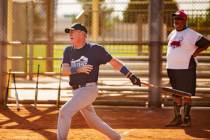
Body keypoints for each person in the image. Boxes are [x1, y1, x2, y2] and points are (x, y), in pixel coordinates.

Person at [57, 23, 141, 140]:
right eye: (69, 32)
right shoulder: (68, 50)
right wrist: (78, 69)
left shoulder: (95, 49)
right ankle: (116, 138)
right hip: (76, 92)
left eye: (73, 32)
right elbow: (64, 71)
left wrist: (130, 75)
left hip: (88, 90)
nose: (70, 34)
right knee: (93, 122)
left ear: (82, 34)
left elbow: (113, 62)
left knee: (64, 112)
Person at [165, 10, 210, 127]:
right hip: (172, 67)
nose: (176, 21)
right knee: (175, 93)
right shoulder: (172, 33)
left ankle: (186, 118)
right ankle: (177, 118)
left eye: (179, 19)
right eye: (175, 19)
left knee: (186, 93)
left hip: (186, 67)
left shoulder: (191, 34)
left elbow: (206, 43)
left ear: (185, 21)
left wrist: (195, 53)